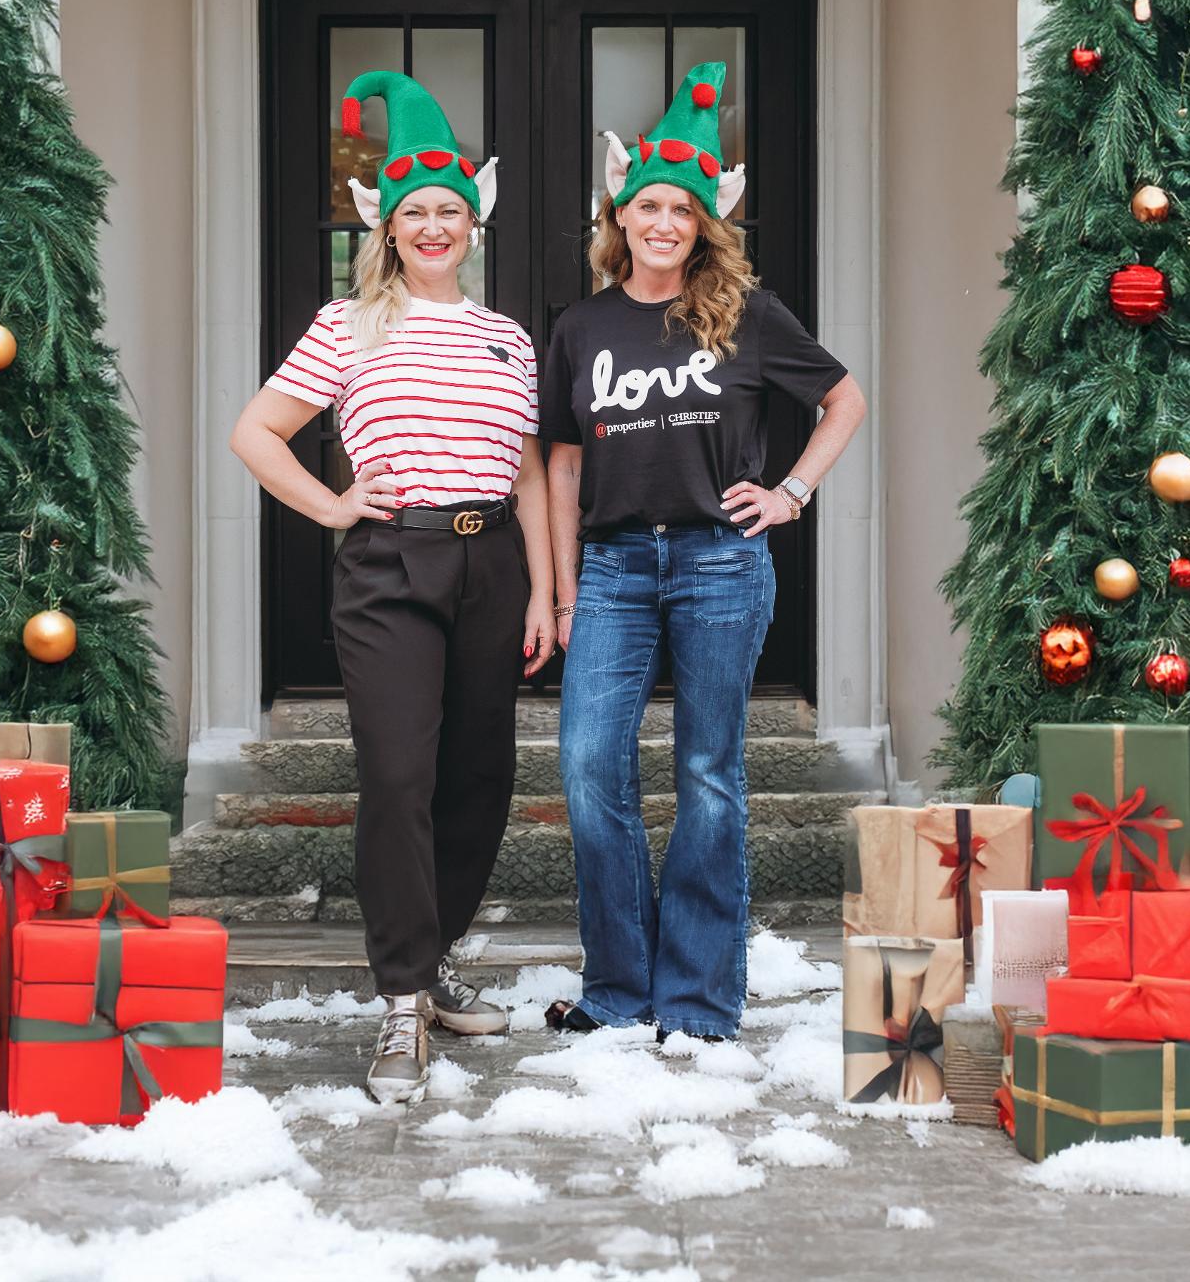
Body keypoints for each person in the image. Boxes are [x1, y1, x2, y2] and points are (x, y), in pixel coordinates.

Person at [231, 70, 555, 1104]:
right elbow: (256, 433)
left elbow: (530, 475)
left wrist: (545, 594)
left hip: (491, 562)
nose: (432, 227)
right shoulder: (348, 324)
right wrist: (332, 507)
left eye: (448, 211)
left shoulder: (508, 338)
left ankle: (433, 955)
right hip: (389, 565)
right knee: (400, 775)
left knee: (480, 777)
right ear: (387, 226)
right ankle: (401, 999)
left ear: (473, 223)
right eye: (414, 212)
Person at [541, 62, 865, 1042]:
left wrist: (790, 492)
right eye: (648, 204)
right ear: (620, 215)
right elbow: (560, 464)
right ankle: (617, 989)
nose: (663, 221)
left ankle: (696, 999)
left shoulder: (747, 313)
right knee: (588, 767)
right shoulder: (581, 326)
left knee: (708, 772)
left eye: (681, 208)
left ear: (703, 223)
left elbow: (843, 399)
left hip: (720, 561)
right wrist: (563, 593)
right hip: (612, 570)